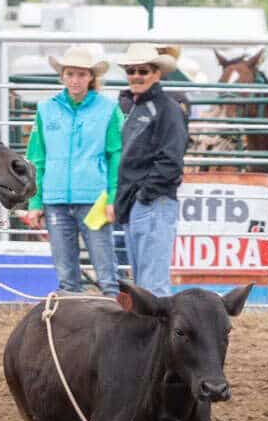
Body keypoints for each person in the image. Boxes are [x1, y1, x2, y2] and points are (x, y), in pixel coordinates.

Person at [25, 47, 123, 298]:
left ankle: (114, 316)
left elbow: (117, 155)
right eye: (70, 74)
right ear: (63, 76)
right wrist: (35, 201)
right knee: (66, 274)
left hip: (95, 200)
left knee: (106, 271)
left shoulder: (109, 109)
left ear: (90, 77)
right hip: (55, 199)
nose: (75, 80)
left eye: (81, 74)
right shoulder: (46, 110)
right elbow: (37, 157)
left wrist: (113, 197)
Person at [113, 43, 188, 297]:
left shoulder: (166, 109)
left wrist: (145, 193)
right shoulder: (140, 107)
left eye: (142, 71)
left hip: (152, 201)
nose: (136, 76)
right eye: (132, 71)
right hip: (140, 201)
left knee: (152, 284)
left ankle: (161, 335)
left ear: (156, 73)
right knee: (145, 282)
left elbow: (171, 160)